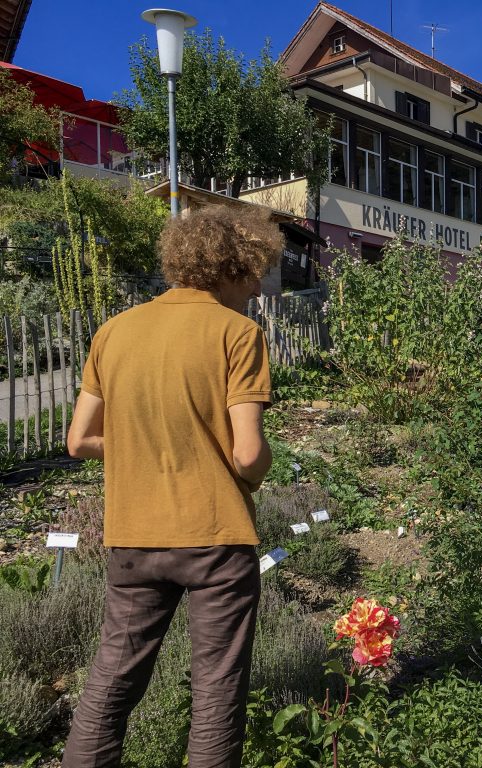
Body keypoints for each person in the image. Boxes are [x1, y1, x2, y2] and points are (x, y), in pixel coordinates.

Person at [62, 205, 281, 768]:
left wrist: (143, 445)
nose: (258, 287)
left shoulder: (114, 332)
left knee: (111, 680)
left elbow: (81, 439)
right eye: (256, 270)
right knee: (216, 695)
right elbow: (249, 454)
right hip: (216, 538)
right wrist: (251, 466)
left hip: (133, 536)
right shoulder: (238, 333)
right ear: (230, 266)